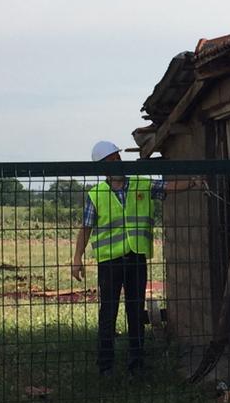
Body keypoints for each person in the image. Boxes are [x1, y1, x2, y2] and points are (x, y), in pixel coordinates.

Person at [68, 141, 197, 378]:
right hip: (110, 262)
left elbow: (167, 186)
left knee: (135, 311)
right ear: (102, 167)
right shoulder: (96, 195)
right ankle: (105, 365)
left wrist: (192, 183)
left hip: (136, 257)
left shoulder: (141, 183)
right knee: (108, 312)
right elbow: (86, 228)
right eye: (111, 160)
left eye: (118, 158)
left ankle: (136, 363)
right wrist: (77, 257)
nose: (117, 163)